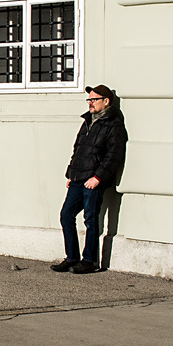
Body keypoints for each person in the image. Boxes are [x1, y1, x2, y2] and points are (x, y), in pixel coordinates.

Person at [52, 84, 127, 275]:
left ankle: (90, 261)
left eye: (94, 99)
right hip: (78, 178)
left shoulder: (113, 125)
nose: (90, 103)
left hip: (93, 180)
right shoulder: (87, 121)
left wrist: (98, 177)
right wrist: (71, 174)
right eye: (89, 100)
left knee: (91, 220)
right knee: (66, 215)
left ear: (106, 101)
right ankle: (72, 257)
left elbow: (114, 156)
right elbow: (78, 149)